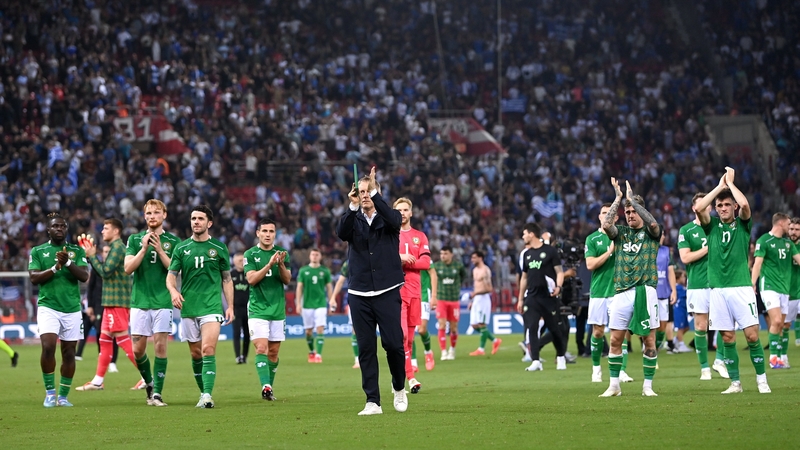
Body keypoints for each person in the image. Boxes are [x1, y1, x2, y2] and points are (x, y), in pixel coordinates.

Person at [336, 166, 407, 416]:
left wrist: (374, 193)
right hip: (359, 293)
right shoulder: (353, 219)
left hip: (387, 290)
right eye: (361, 191)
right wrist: (353, 205)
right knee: (366, 348)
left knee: (394, 345)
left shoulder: (388, 218)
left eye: (368, 191)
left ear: (377, 192)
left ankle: (399, 387)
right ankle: (373, 401)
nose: (364, 195)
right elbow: (341, 233)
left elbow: (396, 220)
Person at [695, 167, 770, 394]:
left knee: (752, 335)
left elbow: (745, 205)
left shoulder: (743, 224)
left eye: (727, 204)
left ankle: (762, 380)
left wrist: (731, 184)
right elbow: (699, 208)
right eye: (719, 205)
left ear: (733, 207)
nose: (723, 208)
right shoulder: (711, 226)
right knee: (727, 337)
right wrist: (719, 186)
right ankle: (735, 383)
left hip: (741, 287)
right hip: (717, 289)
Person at [167, 205, 235, 408]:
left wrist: (230, 306)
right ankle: (202, 392)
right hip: (188, 307)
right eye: (193, 218)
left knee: (208, 349)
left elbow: (227, 279)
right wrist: (173, 292)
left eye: (200, 218)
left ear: (209, 223)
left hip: (212, 306)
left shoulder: (219, 248)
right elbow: (170, 277)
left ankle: (207, 395)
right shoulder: (181, 248)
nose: (196, 222)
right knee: (196, 354)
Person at [599, 179, 661, 398]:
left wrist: (633, 200)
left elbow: (652, 224)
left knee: (649, 341)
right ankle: (614, 386)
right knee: (615, 340)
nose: (631, 215)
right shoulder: (621, 233)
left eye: (634, 211)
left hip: (645, 291)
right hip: (622, 292)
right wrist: (618, 198)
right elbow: (606, 225)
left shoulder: (652, 233)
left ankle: (647, 386)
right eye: (628, 212)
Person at [29, 212, 89, 407]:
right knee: (48, 347)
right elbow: (34, 277)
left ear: (67, 229)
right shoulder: (38, 251)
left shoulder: (77, 251)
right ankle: (50, 394)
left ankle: (63, 396)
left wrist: (68, 262)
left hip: (72, 308)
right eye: (55, 226)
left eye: (62, 226)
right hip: (48, 306)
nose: (59, 229)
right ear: (48, 229)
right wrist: (56, 267)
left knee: (69, 353)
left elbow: (84, 276)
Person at [124, 199, 181, 406]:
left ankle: (157, 393)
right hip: (139, 301)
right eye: (148, 213)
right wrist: (143, 248)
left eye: (156, 212)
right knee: (138, 350)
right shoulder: (134, 239)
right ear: (144, 216)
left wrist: (160, 250)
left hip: (162, 301)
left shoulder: (173, 241)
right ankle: (149, 383)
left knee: (160, 347)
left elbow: (176, 270)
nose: (152, 216)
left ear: (164, 215)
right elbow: (128, 268)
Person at [77, 218, 140, 392]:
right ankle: (98, 381)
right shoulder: (114, 248)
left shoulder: (118, 248)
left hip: (117, 302)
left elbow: (105, 272)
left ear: (116, 231)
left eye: (106, 228)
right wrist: (92, 257)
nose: (102, 231)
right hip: (110, 302)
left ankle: (147, 377)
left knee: (123, 340)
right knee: (104, 340)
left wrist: (92, 256)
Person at [678, 193, 729, 380]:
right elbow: (685, 257)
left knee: (725, 325)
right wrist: (709, 248)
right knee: (701, 327)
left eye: (707, 205)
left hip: (719, 283)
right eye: (701, 205)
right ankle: (704, 368)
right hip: (698, 284)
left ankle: (720, 360)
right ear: (694, 208)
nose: (705, 208)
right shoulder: (686, 230)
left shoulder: (719, 227)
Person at [244, 218, 291, 401]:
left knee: (273, 352)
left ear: (275, 234)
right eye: (264, 231)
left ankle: (269, 389)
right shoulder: (250, 254)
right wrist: (270, 264)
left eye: (271, 231)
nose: (268, 235)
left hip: (277, 309)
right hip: (258, 309)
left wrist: (280, 264)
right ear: (258, 233)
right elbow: (251, 279)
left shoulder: (282, 253)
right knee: (261, 348)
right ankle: (266, 386)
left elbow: (287, 280)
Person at [751, 212, 800, 369]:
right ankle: (773, 358)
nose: (789, 227)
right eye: (788, 224)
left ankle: (779, 357)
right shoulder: (764, 240)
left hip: (785, 289)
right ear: (781, 223)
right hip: (769, 287)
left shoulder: (788, 244)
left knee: (782, 325)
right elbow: (757, 264)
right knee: (777, 321)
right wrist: (752, 283)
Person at [517, 223, 567, 371]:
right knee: (532, 328)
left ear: (531, 234)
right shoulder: (527, 254)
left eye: (524, 233)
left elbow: (559, 272)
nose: (523, 237)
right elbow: (524, 278)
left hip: (548, 297)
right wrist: (520, 299)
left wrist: (558, 287)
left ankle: (561, 356)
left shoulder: (550, 251)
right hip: (532, 297)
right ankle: (536, 361)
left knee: (554, 329)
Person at [393, 197, 431, 393]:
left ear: (411, 213)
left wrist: (405, 261)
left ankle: (400, 378)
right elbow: (384, 259)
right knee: (403, 337)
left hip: (415, 292)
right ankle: (410, 378)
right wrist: (399, 258)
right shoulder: (389, 234)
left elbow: (426, 263)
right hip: (397, 291)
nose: (402, 213)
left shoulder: (420, 236)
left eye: (405, 210)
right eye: (399, 210)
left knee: (409, 340)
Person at [584, 203, 621, 383]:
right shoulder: (592, 239)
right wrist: (609, 252)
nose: (607, 215)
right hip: (599, 292)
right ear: (599, 217)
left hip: (618, 292)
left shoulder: (622, 237)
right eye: (604, 213)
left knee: (619, 332)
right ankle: (596, 368)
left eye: (610, 213)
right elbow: (590, 264)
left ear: (616, 218)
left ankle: (621, 371)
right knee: (598, 332)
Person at [296, 248, 333, 364]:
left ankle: (318, 355)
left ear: (320, 256)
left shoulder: (325, 271)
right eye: (313, 254)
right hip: (307, 304)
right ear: (310, 256)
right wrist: (298, 303)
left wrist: (331, 302)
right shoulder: (303, 270)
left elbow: (329, 288)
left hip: (321, 304)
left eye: (317, 254)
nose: (315, 256)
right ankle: (312, 351)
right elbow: (299, 288)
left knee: (320, 328)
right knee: (308, 332)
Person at [433, 246, 467, 360]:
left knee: (454, 328)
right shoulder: (437, 266)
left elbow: (464, 276)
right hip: (441, 299)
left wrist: (457, 286)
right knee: (442, 325)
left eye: (445, 253)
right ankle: (443, 351)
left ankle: (452, 349)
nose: (443, 256)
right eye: (441, 253)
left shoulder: (458, 266)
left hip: (454, 300)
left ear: (451, 254)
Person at [468, 251, 502, 356]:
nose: (472, 260)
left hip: (483, 299)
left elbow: (489, 289)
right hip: (477, 299)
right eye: (472, 258)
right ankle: (495, 340)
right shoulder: (475, 270)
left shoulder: (485, 270)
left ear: (481, 258)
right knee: (474, 325)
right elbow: (476, 286)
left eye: (474, 258)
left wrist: (476, 294)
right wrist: (472, 300)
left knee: (482, 324)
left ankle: (481, 349)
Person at [331, 260, 360, 368]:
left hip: (375, 298)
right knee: (355, 329)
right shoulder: (349, 262)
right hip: (356, 299)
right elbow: (340, 281)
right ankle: (357, 359)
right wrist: (333, 297)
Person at [655, 231, 678, 353]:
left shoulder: (666, 251)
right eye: (661, 234)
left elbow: (670, 271)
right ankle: (650, 347)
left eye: (664, 234)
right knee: (649, 324)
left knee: (663, 324)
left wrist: (673, 290)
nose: (663, 236)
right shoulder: (646, 249)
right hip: (650, 293)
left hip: (664, 293)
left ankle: (656, 345)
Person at [411, 264, 437, 371]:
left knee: (422, 329)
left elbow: (433, 274)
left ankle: (428, 352)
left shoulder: (423, 255)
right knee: (409, 331)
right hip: (408, 295)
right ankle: (413, 362)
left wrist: (434, 296)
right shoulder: (402, 255)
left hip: (424, 295)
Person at [231, 253, 251, 364]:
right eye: (239, 260)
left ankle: (245, 356)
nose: (242, 263)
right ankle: (238, 356)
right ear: (234, 262)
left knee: (248, 333)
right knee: (237, 332)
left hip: (248, 308)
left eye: (243, 260)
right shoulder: (231, 275)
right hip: (236, 309)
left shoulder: (249, 274)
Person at [786, 218, 800, 364]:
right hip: (787, 291)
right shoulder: (782, 246)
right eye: (791, 229)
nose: (793, 232)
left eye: (796, 230)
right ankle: (780, 355)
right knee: (784, 325)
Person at [673, 270, 690, 352]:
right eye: (683, 277)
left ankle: (675, 340)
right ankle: (681, 345)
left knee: (686, 327)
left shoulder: (681, 287)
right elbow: (687, 294)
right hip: (678, 309)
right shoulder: (678, 287)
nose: (684, 279)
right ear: (677, 278)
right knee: (680, 328)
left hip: (683, 309)